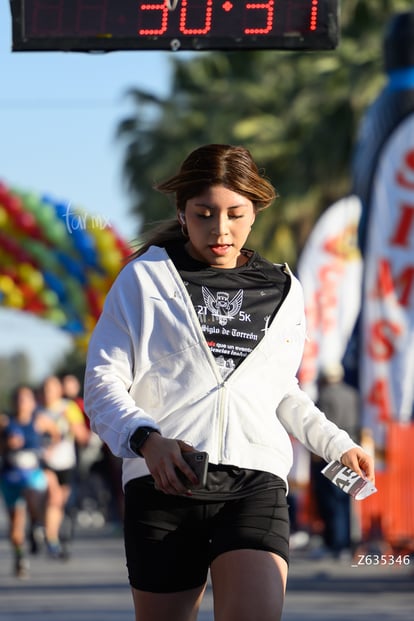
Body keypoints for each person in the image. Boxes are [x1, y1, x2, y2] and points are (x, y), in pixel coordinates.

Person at [84, 144, 375, 621]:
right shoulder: (145, 280)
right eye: (204, 214)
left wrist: (336, 444)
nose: (221, 230)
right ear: (182, 213)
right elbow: (102, 381)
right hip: (165, 484)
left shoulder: (283, 290)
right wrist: (146, 440)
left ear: (255, 212)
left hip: (254, 484)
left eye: (235, 214)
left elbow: (281, 390)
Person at [0, 385, 60, 577]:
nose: (21, 403)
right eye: (18, 398)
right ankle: (20, 557)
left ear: (33, 402)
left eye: (25, 399)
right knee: (16, 525)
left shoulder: (39, 420)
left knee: (32, 492)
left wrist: (48, 450)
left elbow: (57, 434)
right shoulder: (4, 422)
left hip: (33, 472)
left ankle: (36, 525)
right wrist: (6, 444)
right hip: (10, 476)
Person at [310, 363, 361, 559]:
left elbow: (320, 430)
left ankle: (334, 544)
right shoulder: (352, 394)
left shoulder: (325, 396)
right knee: (345, 499)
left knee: (330, 500)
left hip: (329, 456)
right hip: (351, 452)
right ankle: (347, 544)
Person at [39, 375, 90, 558]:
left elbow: (83, 437)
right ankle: (51, 540)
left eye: (51, 389)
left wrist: (73, 427)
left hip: (66, 462)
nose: (47, 393)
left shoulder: (68, 408)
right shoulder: (37, 410)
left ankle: (48, 532)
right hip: (44, 463)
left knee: (59, 503)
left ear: (59, 390)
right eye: (44, 389)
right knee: (53, 498)